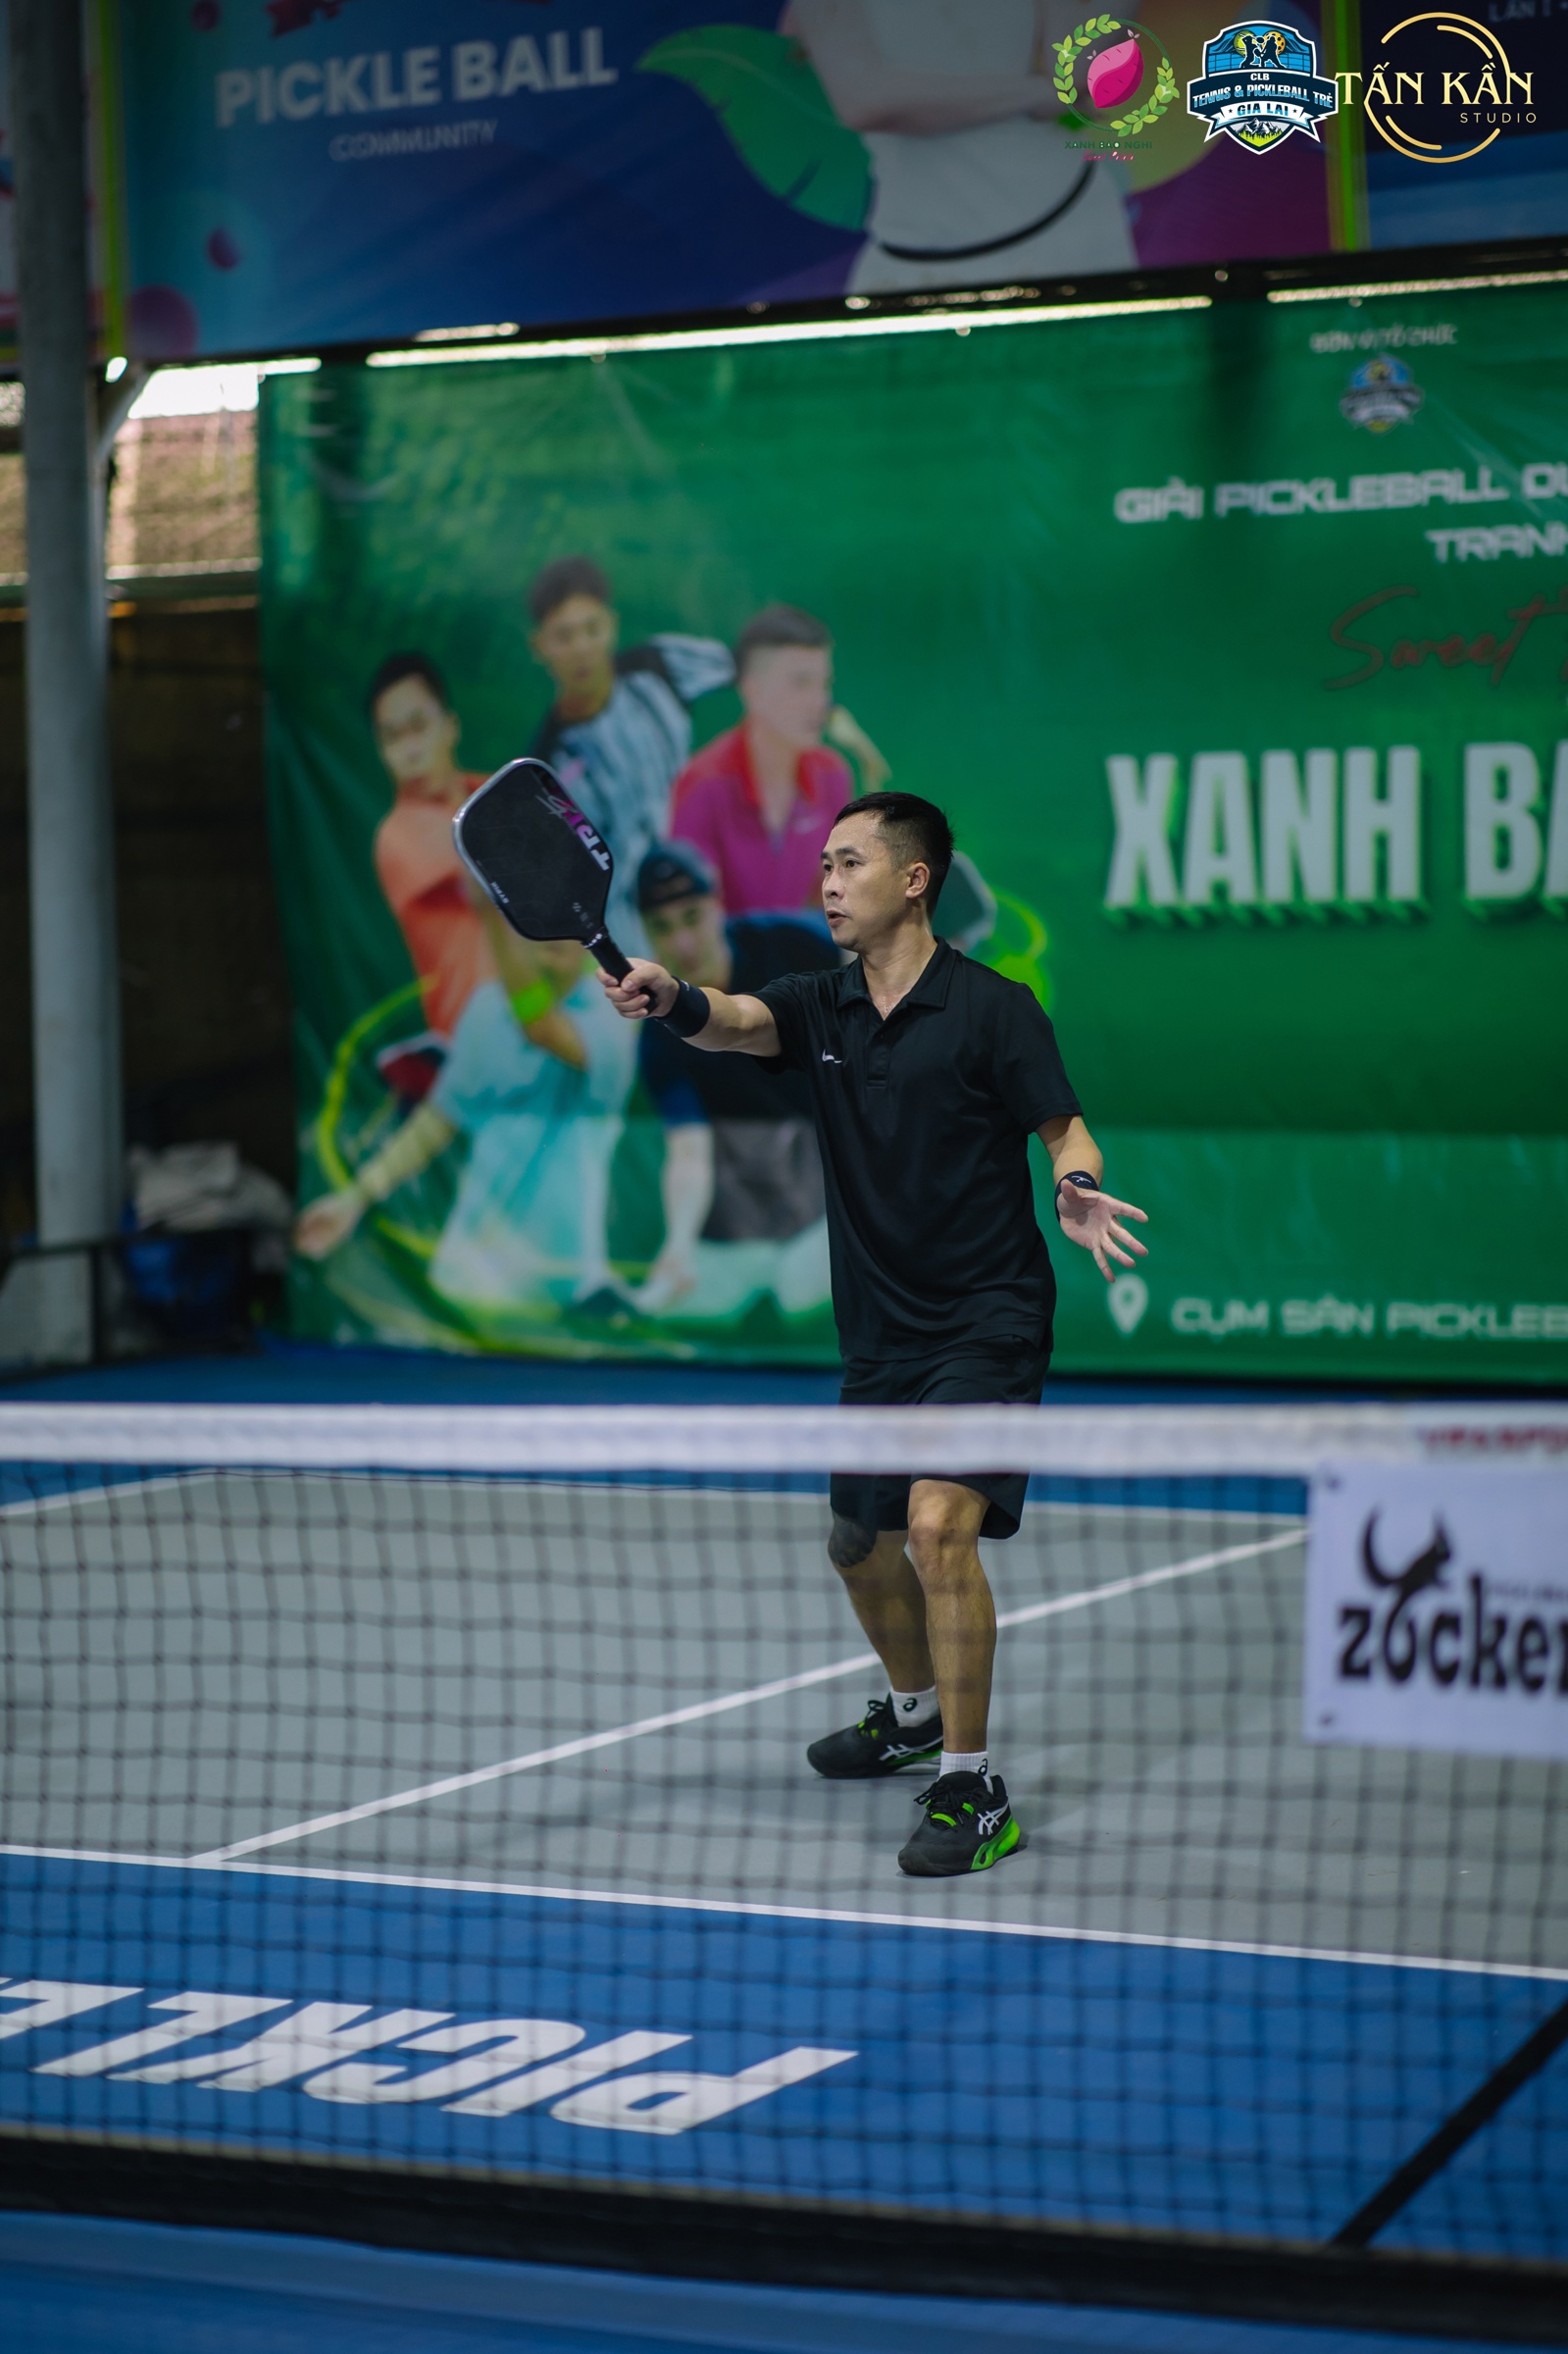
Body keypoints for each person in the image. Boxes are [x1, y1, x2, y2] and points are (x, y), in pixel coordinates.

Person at [601, 791, 1148, 1877]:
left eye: (849, 863)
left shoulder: (995, 1009)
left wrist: (1077, 1186)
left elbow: (1064, 1129)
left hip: (987, 1317)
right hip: (881, 1331)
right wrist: (671, 998)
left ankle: (973, 1787)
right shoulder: (821, 1004)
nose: (827, 883)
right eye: (823, 866)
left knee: (937, 1529)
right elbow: (733, 1019)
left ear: (913, 879)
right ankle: (913, 1716)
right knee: (858, 1543)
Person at [294, 921, 636, 1316]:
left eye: (559, 917)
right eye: (533, 916)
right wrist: (353, 1199)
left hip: (569, 1289)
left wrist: (489, 911)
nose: (550, 932)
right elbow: (438, 1120)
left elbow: (540, 1027)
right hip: (471, 1283)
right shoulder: (486, 1007)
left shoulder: (611, 1011)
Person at [784, 0, 1135, 294]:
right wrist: (1039, 93)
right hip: (918, 256)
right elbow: (865, 100)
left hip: (1069, 228)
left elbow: (1074, 70)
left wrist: (1050, 92)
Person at [633, 844, 840, 1320]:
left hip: (832, 1203)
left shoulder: (796, 943)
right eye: (662, 927)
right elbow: (689, 1152)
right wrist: (678, 1245)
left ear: (717, 904)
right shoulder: (659, 1031)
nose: (683, 943)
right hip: (738, 1227)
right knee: (662, 1308)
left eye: (692, 917)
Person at [527, 556, 733, 955]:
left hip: (713, 912)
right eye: (564, 636)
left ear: (612, 625)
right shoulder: (545, 771)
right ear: (540, 646)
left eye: (592, 629)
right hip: (635, 943)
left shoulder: (660, 668)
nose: (582, 648)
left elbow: (757, 671)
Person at [671, 605, 885, 917]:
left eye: (824, 684)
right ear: (753, 692)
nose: (820, 702)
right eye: (801, 683)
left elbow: (832, 896)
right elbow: (687, 917)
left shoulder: (833, 776)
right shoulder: (702, 786)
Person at [368, 652, 493, 1045]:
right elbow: (505, 865)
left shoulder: (490, 790)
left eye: (419, 727)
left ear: (450, 726)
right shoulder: (396, 836)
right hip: (472, 1044)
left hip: (552, 1012)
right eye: (392, 737)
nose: (410, 750)